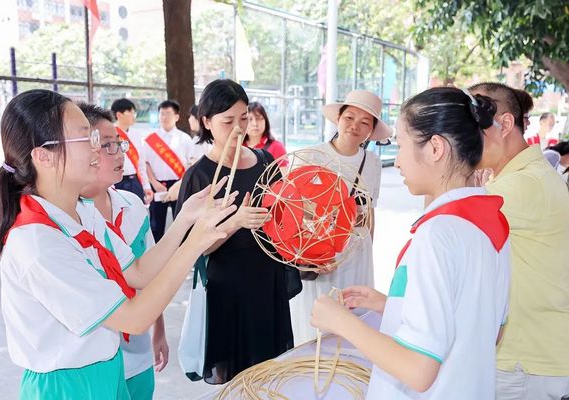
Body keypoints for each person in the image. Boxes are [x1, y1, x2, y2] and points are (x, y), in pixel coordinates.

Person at [0, 89, 236, 399]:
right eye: (86, 139)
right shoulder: (38, 243)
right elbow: (134, 317)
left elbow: (138, 272)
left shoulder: (80, 211)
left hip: (107, 368)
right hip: (66, 387)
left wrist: (186, 218)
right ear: (44, 156)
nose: (99, 151)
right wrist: (195, 243)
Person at [311, 87, 511, 399]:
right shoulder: (493, 221)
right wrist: (393, 305)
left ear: (435, 148)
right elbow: (488, 327)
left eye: (402, 145)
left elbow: (418, 370)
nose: (399, 160)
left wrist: (341, 322)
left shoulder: (438, 234)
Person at [175, 79, 294, 385]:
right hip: (228, 288)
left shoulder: (266, 161)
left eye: (244, 119)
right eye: (228, 121)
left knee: (271, 370)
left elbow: (285, 214)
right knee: (236, 376)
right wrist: (236, 221)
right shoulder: (199, 177)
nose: (239, 128)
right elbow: (193, 250)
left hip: (267, 278)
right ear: (206, 122)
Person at [469, 82, 569, 400]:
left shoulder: (522, 185)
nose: (463, 142)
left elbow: (446, 229)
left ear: (506, 124)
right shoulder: (521, 178)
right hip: (531, 358)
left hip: (525, 363)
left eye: (470, 129)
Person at [78, 103, 170, 400]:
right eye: (108, 146)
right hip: (95, 362)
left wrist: (159, 330)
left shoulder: (132, 206)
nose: (120, 154)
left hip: (139, 351)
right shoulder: (69, 218)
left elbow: (149, 275)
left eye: (119, 144)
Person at [289, 89, 390, 345]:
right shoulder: (312, 156)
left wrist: (367, 247)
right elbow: (293, 207)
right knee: (316, 321)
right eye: (350, 117)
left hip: (356, 250)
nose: (355, 126)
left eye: (365, 122)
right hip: (319, 248)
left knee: (354, 316)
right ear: (339, 118)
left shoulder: (373, 163)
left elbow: (369, 212)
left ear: (371, 131)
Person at [143, 99, 194, 242]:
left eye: (168, 114)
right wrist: (154, 183)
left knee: (181, 222)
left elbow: (191, 163)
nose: (164, 117)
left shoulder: (185, 139)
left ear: (176, 117)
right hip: (158, 185)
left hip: (179, 185)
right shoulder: (150, 140)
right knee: (156, 225)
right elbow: (145, 163)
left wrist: (181, 184)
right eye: (162, 114)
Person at [110, 98, 153, 204]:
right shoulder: (110, 133)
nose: (134, 116)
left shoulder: (136, 134)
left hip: (135, 182)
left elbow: (140, 163)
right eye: (130, 112)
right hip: (117, 183)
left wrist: (146, 185)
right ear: (119, 114)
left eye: (134, 112)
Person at [244, 101, 288, 172]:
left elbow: (283, 178)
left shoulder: (277, 147)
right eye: (250, 119)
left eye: (259, 118)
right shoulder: (238, 146)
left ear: (266, 121)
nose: (255, 124)